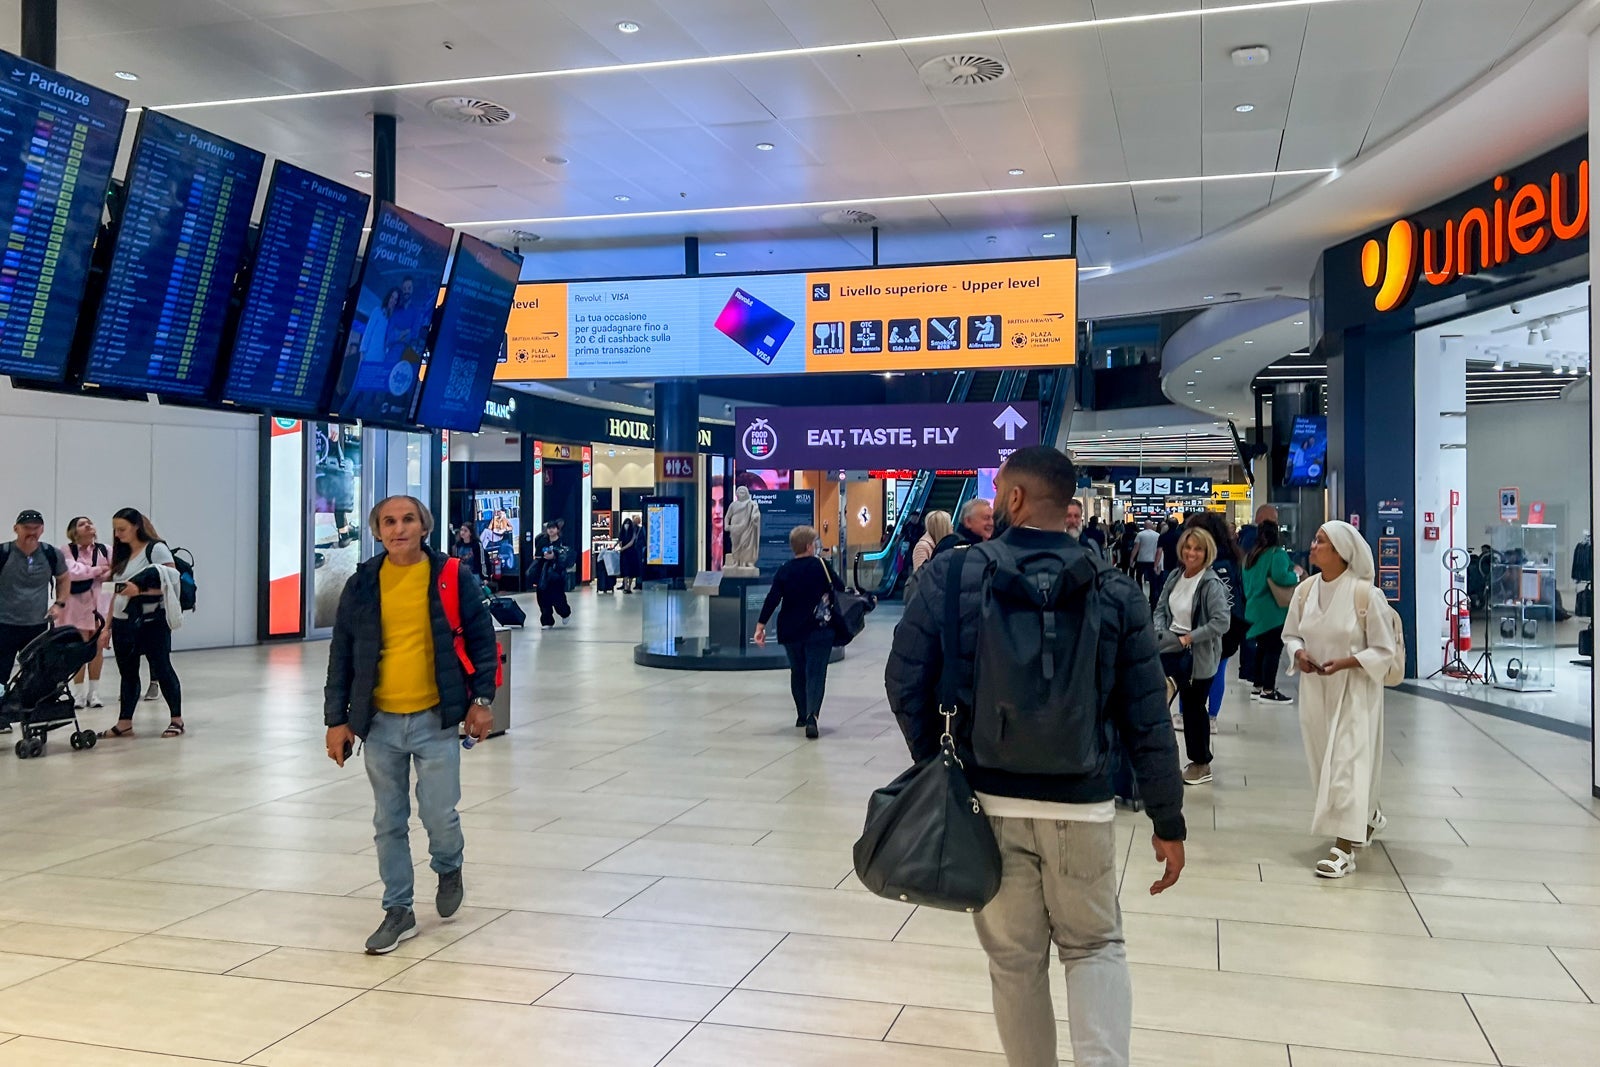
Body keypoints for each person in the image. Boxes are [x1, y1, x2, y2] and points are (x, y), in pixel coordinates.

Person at [886, 446, 1184, 1067]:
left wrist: (944, 766)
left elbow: (905, 679)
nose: (995, 500)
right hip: (1083, 803)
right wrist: (1167, 818)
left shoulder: (953, 576)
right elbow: (1146, 714)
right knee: (1095, 946)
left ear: (1016, 498)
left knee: (1015, 960)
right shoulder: (1113, 587)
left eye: (999, 490)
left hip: (987, 802)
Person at [325, 495, 498, 953]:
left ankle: (448, 864)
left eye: (407, 520)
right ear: (376, 530)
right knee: (388, 820)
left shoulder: (451, 576)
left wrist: (481, 701)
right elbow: (341, 654)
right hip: (379, 723)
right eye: (388, 521)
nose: (398, 529)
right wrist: (336, 720)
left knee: (439, 813)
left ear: (424, 526)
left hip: (435, 718)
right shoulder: (362, 583)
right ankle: (398, 909)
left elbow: (482, 640)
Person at [1282, 521, 1395, 879]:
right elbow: (1291, 634)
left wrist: (1347, 662)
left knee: (1347, 762)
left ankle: (1344, 848)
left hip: (1355, 691)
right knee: (1324, 763)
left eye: (1321, 542)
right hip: (1316, 691)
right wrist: (1299, 654)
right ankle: (1368, 815)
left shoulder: (1365, 595)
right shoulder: (1304, 591)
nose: (1313, 546)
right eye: (1315, 540)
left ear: (1341, 552)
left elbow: (1384, 649)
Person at [1152, 527, 1231, 786]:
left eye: (1198, 549)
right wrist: (1162, 632)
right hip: (1170, 647)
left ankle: (1201, 763)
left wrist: (1189, 638)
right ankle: (1155, 759)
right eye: (1188, 547)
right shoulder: (1176, 576)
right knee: (1155, 700)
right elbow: (1161, 608)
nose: (1191, 553)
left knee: (1194, 708)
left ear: (1207, 552)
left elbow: (1221, 622)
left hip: (1198, 654)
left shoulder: (1210, 584)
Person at [99, 509, 184, 739]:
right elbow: (115, 594)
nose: (118, 535)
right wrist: (106, 628)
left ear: (136, 526)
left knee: (162, 668)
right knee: (127, 673)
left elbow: (171, 582)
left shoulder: (155, 549)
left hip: (151, 621)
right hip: (123, 622)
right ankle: (124, 723)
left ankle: (176, 719)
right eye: (115, 530)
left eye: (122, 529)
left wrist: (140, 590)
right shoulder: (122, 554)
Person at [754, 525, 844, 740]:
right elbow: (839, 587)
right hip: (819, 628)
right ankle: (812, 716)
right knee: (816, 673)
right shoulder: (821, 566)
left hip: (790, 630)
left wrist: (760, 625)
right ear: (809, 546)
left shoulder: (785, 569)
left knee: (797, 671)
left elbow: (773, 598)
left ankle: (801, 714)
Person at [1185, 511, 1247, 730]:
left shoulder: (1202, 560)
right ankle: (1212, 717)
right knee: (1218, 669)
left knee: (1192, 669)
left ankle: (1187, 713)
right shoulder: (1232, 557)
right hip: (1231, 622)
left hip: (1202, 622)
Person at [0, 509, 68, 692]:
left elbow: (63, 578)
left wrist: (59, 604)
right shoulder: (4, 553)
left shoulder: (51, 554)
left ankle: (27, 706)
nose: (31, 532)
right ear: (16, 528)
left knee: (35, 674)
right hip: (4, 624)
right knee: (1, 672)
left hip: (37, 625)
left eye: (36, 528)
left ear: (42, 529)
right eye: (26, 528)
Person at [60, 516, 113, 709]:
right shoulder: (67, 550)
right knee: (79, 650)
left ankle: (94, 692)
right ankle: (78, 694)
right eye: (82, 524)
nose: (88, 525)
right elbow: (73, 572)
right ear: (73, 531)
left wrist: (90, 571)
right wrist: (98, 570)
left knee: (98, 649)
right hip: (76, 609)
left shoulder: (105, 550)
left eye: (89, 522)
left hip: (100, 607)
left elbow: (115, 571)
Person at [1243, 520, 1297, 703]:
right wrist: (1295, 575)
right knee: (1273, 650)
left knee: (1261, 648)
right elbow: (1281, 576)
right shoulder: (1277, 554)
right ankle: (1268, 690)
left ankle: (1257, 686)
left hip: (1253, 608)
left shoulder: (1250, 556)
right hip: (1272, 611)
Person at [532, 520, 572, 627]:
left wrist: (555, 556)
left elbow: (567, 557)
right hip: (543, 574)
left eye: (553, 528)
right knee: (542, 598)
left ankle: (565, 613)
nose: (551, 530)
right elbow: (537, 555)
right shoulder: (542, 541)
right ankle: (547, 621)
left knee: (558, 598)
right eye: (549, 528)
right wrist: (543, 556)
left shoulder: (562, 542)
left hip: (556, 575)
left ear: (557, 530)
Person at [1133, 520, 1160, 592]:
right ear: (1151, 526)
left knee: (1139, 577)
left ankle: (1140, 592)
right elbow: (1159, 549)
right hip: (1153, 560)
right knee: (1152, 579)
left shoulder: (1140, 534)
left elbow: (1136, 548)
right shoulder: (1157, 535)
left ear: (1144, 526)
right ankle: (1152, 596)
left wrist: (1131, 559)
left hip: (1141, 559)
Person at [617, 517, 642, 593]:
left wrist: (623, 548)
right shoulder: (622, 533)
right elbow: (619, 541)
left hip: (631, 553)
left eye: (628, 523)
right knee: (625, 570)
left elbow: (632, 542)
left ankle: (629, 587)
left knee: (631, 570)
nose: (627, 525)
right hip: (624, 554)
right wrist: (619, 546)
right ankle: (625, 586)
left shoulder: (634, 531)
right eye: (626, 523)